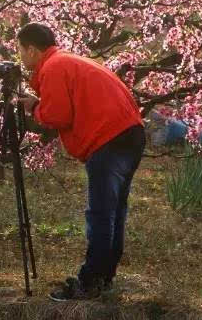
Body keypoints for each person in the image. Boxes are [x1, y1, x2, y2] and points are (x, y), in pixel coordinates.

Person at [15, 22, 145, 302]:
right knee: (114, 211)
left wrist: (35, 107)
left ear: (33, 50)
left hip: (108, 139)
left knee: (101, 214)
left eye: (20, 51)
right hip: (130, 134)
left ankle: (89, 283)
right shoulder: (68, 61)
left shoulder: (52, 68)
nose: (21, 59)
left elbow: (57, 116)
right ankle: (104, 277)